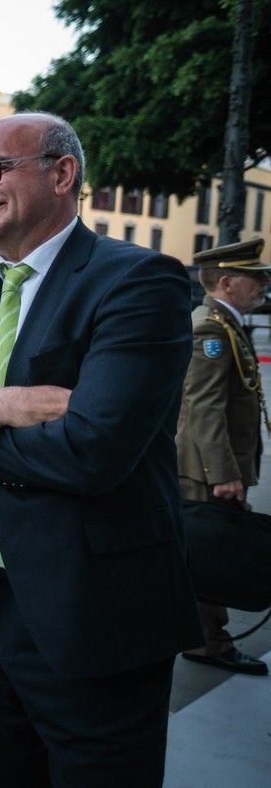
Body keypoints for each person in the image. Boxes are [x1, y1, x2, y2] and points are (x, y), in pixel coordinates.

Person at [0, 112, 202, 787]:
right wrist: (1, 403)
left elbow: (93, 450)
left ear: (63, 173)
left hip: (96, 611)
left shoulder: (139, 281)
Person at [175, 238, 271, 676]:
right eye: (256, 277)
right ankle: (209, 643)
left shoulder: (225, 323)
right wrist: (222, 473)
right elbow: (204, 406)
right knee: (211, 555)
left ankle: (203, 636)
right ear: (228, 281)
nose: (264, 283)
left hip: (215, 466)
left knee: (207, 553)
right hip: (205, 469)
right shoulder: (211, 329)